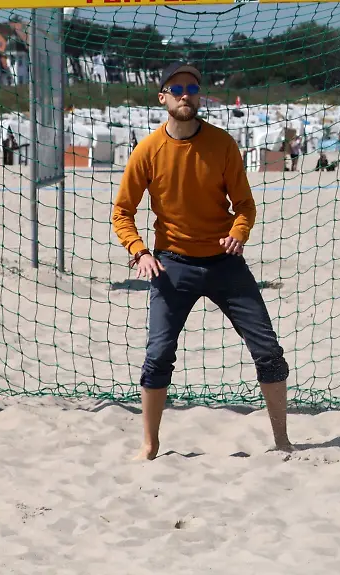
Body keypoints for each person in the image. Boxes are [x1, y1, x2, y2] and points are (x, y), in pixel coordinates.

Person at [111, 61, 292, 461]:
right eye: (176, 90)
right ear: (162, 98)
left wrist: (238, 233)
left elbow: (244, 205)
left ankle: (281, 440)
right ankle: (150, 445)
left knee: (268, 351)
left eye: (192, 89)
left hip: (224, 262)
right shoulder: (148, 150)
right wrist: (139, 251)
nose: (185, 96)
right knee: (158, 354)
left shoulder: (223, 144)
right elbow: (122, 212)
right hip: (172, 264)